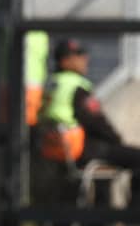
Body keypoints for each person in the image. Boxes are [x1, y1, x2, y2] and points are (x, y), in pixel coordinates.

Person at [38, 38, 140, 193]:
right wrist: (117, 141)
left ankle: (102, 211)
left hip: (55, 149)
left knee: (108, 160)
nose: (85, 59)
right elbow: (96, 121)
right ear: (65, 60)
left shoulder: (51, 83)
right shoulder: (76, 86)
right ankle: (133, 213)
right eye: (78, 55)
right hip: (80, 149)